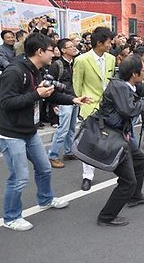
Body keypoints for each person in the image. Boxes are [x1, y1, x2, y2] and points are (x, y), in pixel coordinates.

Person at [0, 32, 92, 231]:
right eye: (52, 50)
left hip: (29, 130)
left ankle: (45, 199)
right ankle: (11, 217)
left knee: (44, 167)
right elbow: (5, 102)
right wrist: (35, 94)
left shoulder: (37, 70)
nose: (55, 54)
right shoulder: (15, 71)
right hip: (11, 133)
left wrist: (74, 99)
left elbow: (49, 95)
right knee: (19, 177)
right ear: (39, 51)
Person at [95, 55, 144, 226]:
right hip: (112, 136)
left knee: (139, 160)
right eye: (143, 69)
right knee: (127, 181)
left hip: (121, 134)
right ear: (134, 73)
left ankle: (134, 196)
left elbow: (143, 91)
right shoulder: (119, 87)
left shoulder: (127, 84)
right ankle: (106, 216)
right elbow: (130, 110)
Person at [73, 27, 116, 191]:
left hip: (109, 106)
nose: (110, 45)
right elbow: (77, 85)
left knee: (111, 138)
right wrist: (82, 102)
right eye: (108, 42)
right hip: (90, 106)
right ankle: (87, 176)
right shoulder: (82, 60)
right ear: (99, 43)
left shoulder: (111, 59)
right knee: (88, 141)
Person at [47, 39, 81, 168]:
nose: (74, 48)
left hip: (74, 98)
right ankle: (53, 155)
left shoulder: (76, 63)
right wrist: (55, 103)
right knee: (63, 129)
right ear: (63, 50)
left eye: (74, 45)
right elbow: (49, 83)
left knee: (72, 129)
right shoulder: (57, 65)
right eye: (70, 46)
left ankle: (68, 151)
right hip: (63, 100)